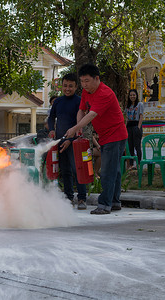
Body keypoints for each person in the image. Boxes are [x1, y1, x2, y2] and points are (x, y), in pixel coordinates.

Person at [66, 64, 128, 215]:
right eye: (82, 81)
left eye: (87, 81)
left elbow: (92, 114)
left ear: (97, 78)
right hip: (105, 136)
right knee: (115, 171)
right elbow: (82, 110)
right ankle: (114, 202)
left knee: (107, 170)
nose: (84, 85)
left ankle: (105, 205)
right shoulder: (88, 92)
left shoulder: (104, 93)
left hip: (116, 135)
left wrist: (75, 128)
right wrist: (78, 125)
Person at [48, 73, 87, 210]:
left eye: (71, 86)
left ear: (76, 86)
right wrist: (52, 130)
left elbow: (80, 123)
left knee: (78, 170)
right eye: (65, 86)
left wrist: (70, 140)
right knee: (65, 171)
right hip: (60, 141)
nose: (67, 89)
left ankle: (82, 198)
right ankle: (68, 198)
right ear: (61, 86)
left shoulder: (79, 102)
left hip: (74, 142)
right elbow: (51, 118)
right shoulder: (58, 102)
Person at [125, 89, 144, 169]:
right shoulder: (128, 106)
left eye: (134, 95)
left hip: (136, 125)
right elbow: (126, 118)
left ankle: (139, 164)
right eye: (131, 95)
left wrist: (138, 128)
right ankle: (131, 164)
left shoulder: (139, 104)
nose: (132, 96)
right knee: (130, 146)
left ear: (136, 96)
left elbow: (141, 116)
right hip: (129, 126)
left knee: (137, 146)